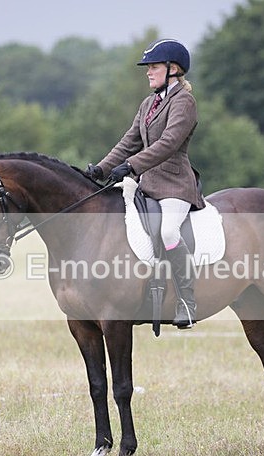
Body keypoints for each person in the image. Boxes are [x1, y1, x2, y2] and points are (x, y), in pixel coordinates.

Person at [87, 38, 204, 329]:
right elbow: (129, 141)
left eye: (153, 67)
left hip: (175, 186)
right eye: (148, 67)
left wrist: (132, 166)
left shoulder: (184, 102)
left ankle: (187, 302)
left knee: (168, 232)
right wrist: (101, 168)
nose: (148, 72)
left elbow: (168, 143)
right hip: (146, 184)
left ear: (172, 69)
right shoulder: (149, 103)